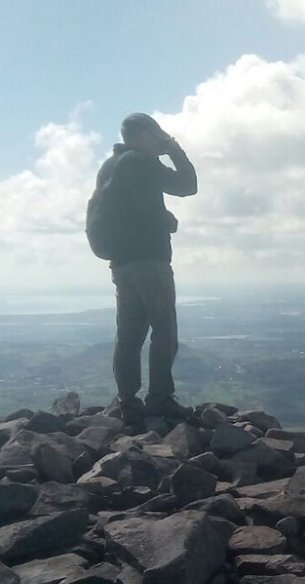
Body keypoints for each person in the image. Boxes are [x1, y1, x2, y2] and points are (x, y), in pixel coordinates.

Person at [94, 112, 197, 421]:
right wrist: (175, 149)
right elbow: (187, 185)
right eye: (156, 134)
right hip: (150, 262)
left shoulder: (109, 166)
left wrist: (161, 218)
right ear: (144, 135)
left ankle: (127, 399)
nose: (160, 139)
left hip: (121, 264)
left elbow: (131, 209)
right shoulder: (141, 161)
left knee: (129, 333)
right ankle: (160, 398)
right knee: (164, 330)